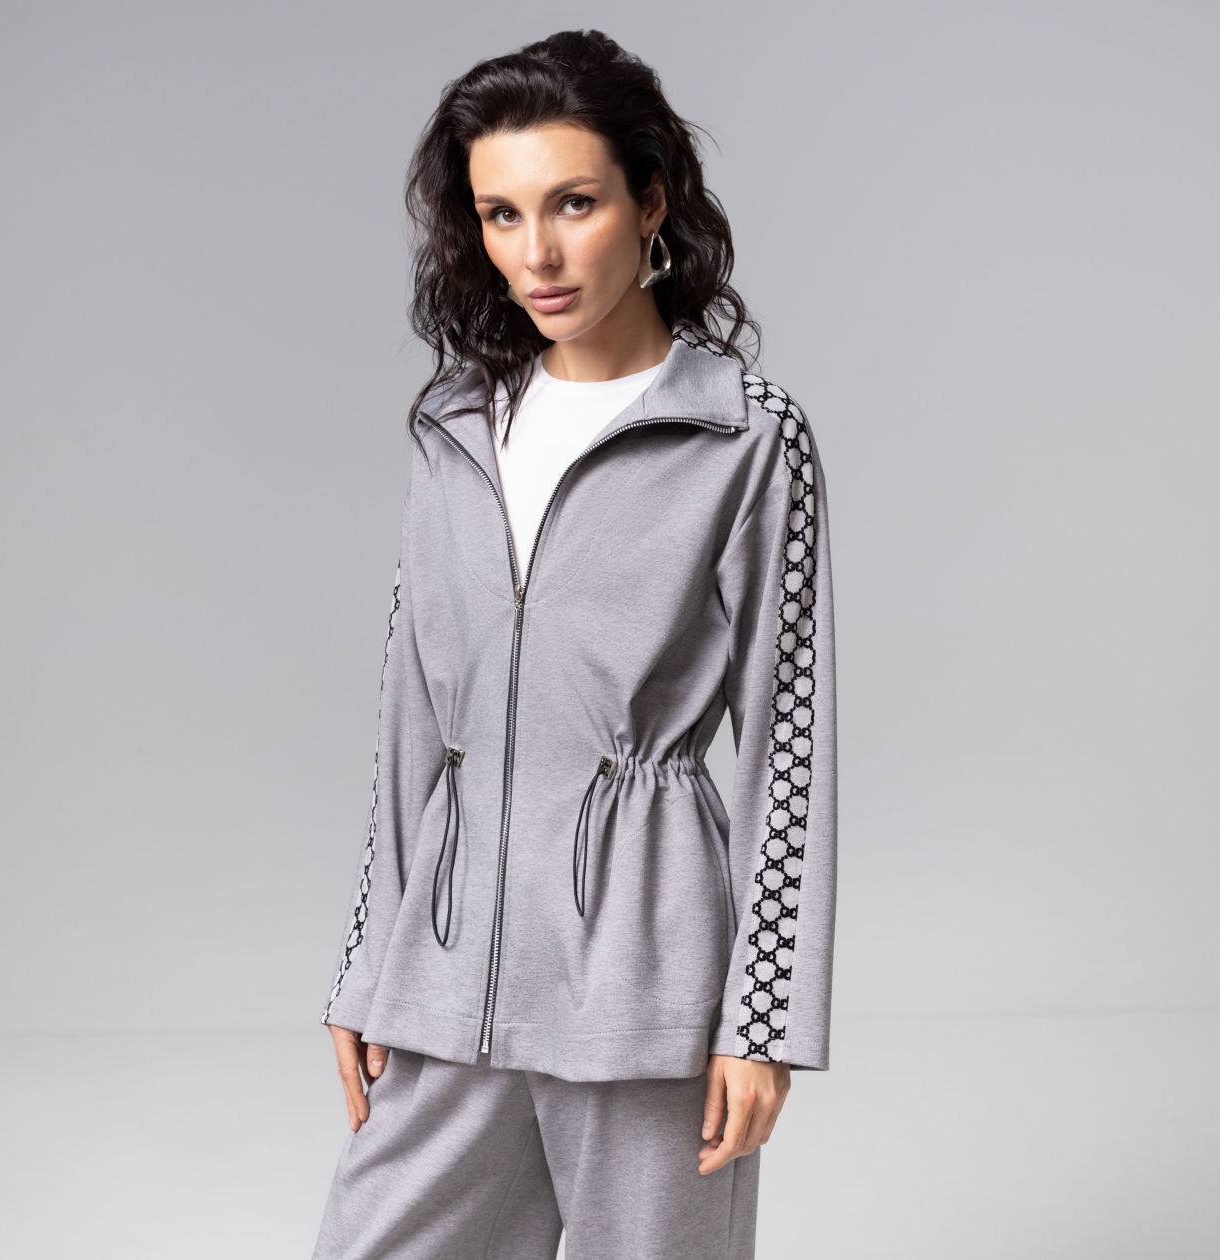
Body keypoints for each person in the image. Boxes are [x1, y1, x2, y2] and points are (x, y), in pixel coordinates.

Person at [313, 29, 836, 1260]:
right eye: (501, 214)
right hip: (447, 978)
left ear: (651, 203)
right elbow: (410, 717)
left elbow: (790, 744)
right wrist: (367, 966)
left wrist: (763, 1018)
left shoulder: (746, 437)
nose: (535, 254)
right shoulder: (455, 424)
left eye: (574, 204)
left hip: (646, 988)